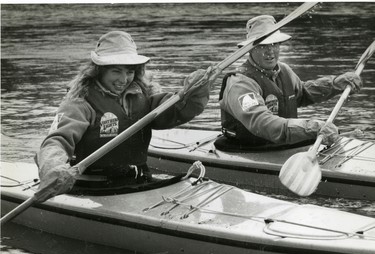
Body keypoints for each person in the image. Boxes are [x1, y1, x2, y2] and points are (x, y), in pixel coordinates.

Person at [35, 31, 213, 201]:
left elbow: (174, 112)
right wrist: (55, 168)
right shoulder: (79, 103)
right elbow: (56, 141)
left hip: (139, 181)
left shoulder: (142, 95)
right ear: (99, 70)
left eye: (129, 72)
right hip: (96, 189)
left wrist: (194, 94)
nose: (123, 79)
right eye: (116, 71)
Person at [218, 15, 362, 149]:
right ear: (251, 49)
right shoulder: (240, 83)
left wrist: (335, 84)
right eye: (262, 45)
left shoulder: (284, 70)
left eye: (274, 44)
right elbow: (261, 122)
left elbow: (303, 93)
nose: (270, 51)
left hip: (282, 146)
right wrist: (311, 128)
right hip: (251, 149)